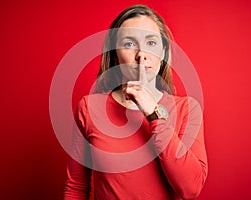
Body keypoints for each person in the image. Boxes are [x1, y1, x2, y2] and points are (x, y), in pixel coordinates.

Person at [64, 4, 208, 200]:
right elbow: (76, 187)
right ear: (115, 56)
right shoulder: (89, 108)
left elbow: (191, 189)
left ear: (164, 53)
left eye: (151, 43)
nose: (141, 54)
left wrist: (153, 113)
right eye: (129, 44)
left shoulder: (187, 109)